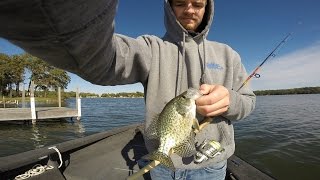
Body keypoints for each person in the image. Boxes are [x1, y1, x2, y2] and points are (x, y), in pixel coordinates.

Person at [0, 0, 256, 179]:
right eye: (180, 3)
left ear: (208, 8)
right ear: (169, 7)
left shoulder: (228, 55)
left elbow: (248, 102)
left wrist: (231, 101)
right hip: (162, 167)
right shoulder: (150, 48)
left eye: (198, 4)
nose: (189, 9)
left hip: (210, 167)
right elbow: (104, 60)